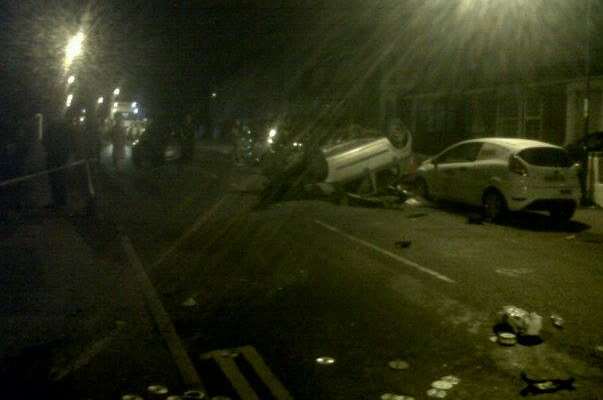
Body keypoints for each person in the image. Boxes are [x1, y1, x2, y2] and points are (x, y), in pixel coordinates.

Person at [43, 111, 75, 209]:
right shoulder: (65, 128)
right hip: (59, 156)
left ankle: (59, 201)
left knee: (57, 179)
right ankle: (59, 201)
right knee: (58, 179)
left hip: (56, 156)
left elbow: (45, 140)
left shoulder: (52, 128)